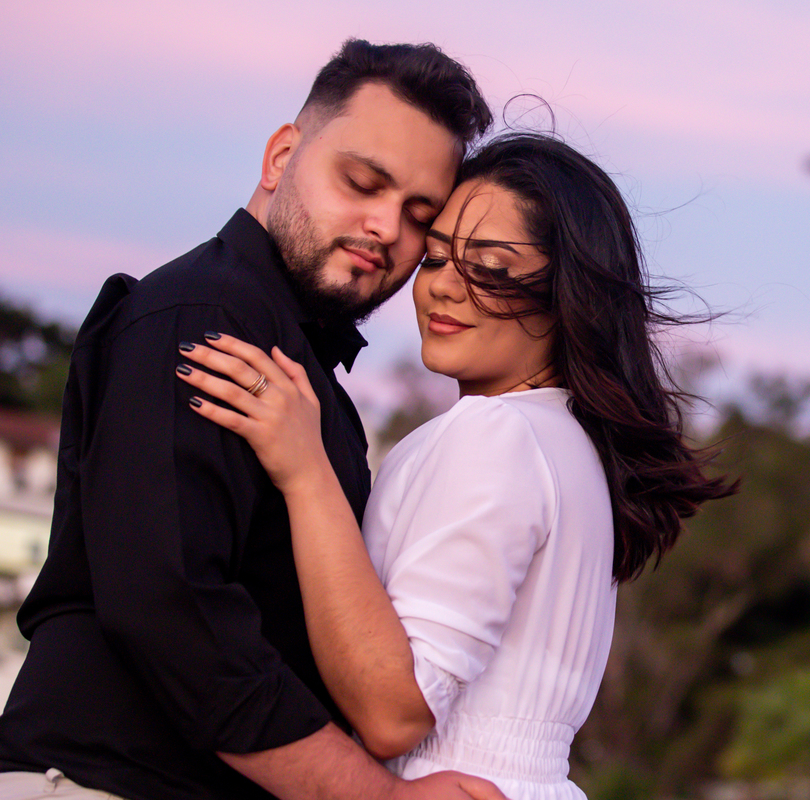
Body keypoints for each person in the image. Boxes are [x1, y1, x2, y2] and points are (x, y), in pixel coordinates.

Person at [0, 40, 507, 800]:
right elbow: (171, 607)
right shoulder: (206, 316)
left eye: (417, 216)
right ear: (280, 157)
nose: (384, 227)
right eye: (362, 182)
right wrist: (378, 798)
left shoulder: (304, 372)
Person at [173, 133, 738, 799]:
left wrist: (306, 471)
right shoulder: (567, 442)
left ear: (569, 291)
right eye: (436, 257)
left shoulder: (497, 437)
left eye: (490, 268)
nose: (444, 287)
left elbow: (394, 711)